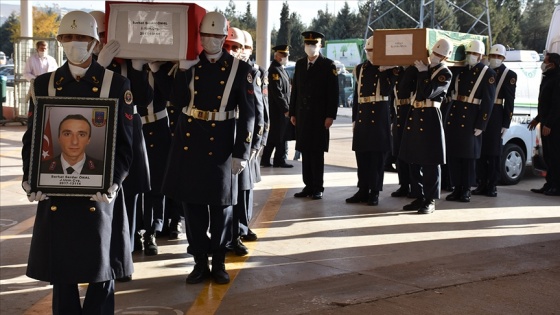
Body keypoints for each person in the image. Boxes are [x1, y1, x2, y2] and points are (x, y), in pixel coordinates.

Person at [21, 11, 133, 314]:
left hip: (100, 195)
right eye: (68, 37)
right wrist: (29, 178)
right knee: (63, 276)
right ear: (59, 41)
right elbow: (32, 140)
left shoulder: (116, 84)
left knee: (102, 275)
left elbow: (126, 147)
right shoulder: (43, 85)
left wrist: (114, 183)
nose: (75, 43)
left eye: (82, 38)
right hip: (57, 194)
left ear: (94, 42)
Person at [152, 11, 255, 285]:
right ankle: (199, 262)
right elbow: (174, 98)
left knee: (221, 209)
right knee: (193, 209)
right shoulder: (189, 66)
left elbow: (249, 115)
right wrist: (163, 70)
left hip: (221, 143)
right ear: (199, 36)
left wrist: (241, 151)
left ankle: (219, 262)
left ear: (225, 37)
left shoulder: (240, 69)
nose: (211, 40)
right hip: (190, 141)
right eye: (206, 35)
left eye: (217, 35)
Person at [90, 10, 153, 261]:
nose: (102, 41)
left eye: (105, 34)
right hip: (95, 132)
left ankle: (128, 246)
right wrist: (98, 67)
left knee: (131, 190)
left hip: (127, 128)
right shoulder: (86, 64)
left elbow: (145, 100)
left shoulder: (127, 62)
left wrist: (137, 68)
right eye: (99, 36)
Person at [399, 39, 454, 214]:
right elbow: (403, 90)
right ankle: (419, 195)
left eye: (439, 55)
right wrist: (412, 69)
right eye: (434, 53)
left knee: (431, 162)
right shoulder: (424, 68)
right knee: (414, 158)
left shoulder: (444, 73)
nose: (435, 57)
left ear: (446, 56)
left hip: (431, 117)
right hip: (415, 114)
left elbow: (427, 92)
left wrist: (423, 73)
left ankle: (430, 199)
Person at [223, 27, 265, 256]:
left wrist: (256, 142)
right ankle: (225, 236)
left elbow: (257, 111)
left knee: (241, 192)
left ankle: (237, 234)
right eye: (229, 47)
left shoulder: (247, 72)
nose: (233, 51)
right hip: (221, 139)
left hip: (242, 139)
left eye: (237, 47)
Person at [344, 36, 398, 206]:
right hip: (363, 115)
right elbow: (357, 96)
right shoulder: (360, 68)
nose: (369, 54)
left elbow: (388, 92)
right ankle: (362, 189)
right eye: (367, 51)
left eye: (373, 51)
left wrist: (383, 71)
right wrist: (354, 119)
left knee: (377, 157)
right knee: (362, 155)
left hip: (380, 116)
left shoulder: (388, 69)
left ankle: (374, 191)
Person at [445, 40, 496, 202]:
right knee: (454, 154)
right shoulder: (460, 70)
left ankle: (466, 189)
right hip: (455, 113)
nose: (470, 57)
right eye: (469, 53)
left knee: (468, 157)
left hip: (471, 117)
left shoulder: (487, 73)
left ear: (480, 55)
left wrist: (482, 124)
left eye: (474, 54)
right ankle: (457, 187)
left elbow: (488, 102)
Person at [290, 31, 338, 200]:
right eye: (307, 44)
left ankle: (318, 186)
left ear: (320, 46)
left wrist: (330, 115)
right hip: (302, 115)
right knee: (305, 150)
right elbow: (295, 89)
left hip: (319, 117)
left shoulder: (328, 65)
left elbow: (333, 93)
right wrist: (292, 112)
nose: (310, 47)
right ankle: (308, 185)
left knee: (316, 152)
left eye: (314, 45)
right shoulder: (300, 64)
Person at [473, 44, 517, 197]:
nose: (495, 59)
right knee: (481, 151)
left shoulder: (509, 74)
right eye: (493, 56)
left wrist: (506, 123)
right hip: (481, 111)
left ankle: (492, 185)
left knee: (493, 153)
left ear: (504, 58)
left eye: (499, 57)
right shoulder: (484, 71)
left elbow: (510, 101)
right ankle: (481, 183)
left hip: (496, 114)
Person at [528, 52, 560, 196]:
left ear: (552, 64)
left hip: (554, 126)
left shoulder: (558, 78)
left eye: (546, 61)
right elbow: (545, 104)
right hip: (546, 122)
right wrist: (538, 119)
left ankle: (557, 186)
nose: (544, 64)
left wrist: (549, 125)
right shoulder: (548, 77)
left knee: (555, 156)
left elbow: (556, 104)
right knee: (547, 156)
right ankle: (549, 184)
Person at [262, 44, 293, 168]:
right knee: (279, 135)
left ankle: (269, 159)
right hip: (277, 109)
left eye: (286, 55)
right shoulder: (274, 70)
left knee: (277, 135)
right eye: (283, 55)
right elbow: (277, 91)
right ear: (277, 55)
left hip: (281, 108)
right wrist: (285, 109)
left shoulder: (281, 69)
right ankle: (278, 160)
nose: (285, 57)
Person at [391, 64, 417, 198]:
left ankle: (415, 186)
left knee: (411, 153)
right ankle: (404, 185)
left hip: (411, 111)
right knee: (399, 152)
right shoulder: (398, 71)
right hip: (398, 113)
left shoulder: (417, 70)